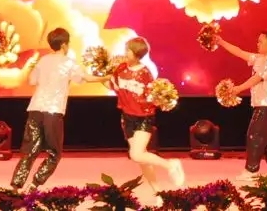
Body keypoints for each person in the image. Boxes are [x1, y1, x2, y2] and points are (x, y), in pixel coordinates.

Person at [10, 27, 110, 190]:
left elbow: (32, 81)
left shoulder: (43, 60)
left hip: (35, 109)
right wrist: (107, 77)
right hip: (53, 111)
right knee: (54, 153)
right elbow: (85, 78)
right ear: (64, 45)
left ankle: (16, 186)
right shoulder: (68, 63)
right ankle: (34, 184)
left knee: (29, 150)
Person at [109, 37, 185, 207]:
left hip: (143, 117)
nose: (125, 53)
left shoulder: (145, 73)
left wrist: (160, 99)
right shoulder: (120, 68)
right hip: (127, 117)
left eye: (128, 50)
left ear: (137, 54)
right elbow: (114, 86)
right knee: (142, 159)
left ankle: (171, 165)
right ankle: (158, 194)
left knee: (136, 154)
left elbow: (152, 95)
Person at [217, 31, 267, 183]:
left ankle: (251, 170)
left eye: (260, 41)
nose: (257, 44)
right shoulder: (260, 58)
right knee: (264, 138)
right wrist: (221, 42)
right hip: (263, 104)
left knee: (254, 136)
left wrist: (238, 89)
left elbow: (257, 78)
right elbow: (239, 52)